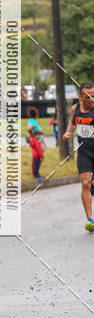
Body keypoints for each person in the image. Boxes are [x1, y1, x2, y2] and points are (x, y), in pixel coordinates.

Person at [62, 82, 94, 232]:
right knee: (85, 182)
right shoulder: (75, 108)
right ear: (80, 96)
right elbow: (72, 123)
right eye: (88, 97)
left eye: (93, 96)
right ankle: (90, 219)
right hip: (84, 151)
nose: (92, 99)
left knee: (91, 183)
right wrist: (68, 132)